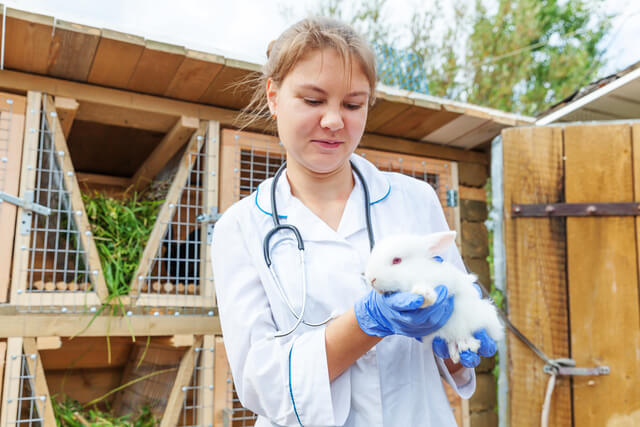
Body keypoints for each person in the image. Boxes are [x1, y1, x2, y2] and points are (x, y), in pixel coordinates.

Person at [212, 17, 496, 427]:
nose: (333, 121)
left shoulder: (415, 200)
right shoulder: (239, 229)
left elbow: (451, 339)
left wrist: (459, 339)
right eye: (313, 101)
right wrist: (368, 323)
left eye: (352, 104)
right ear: (273, 97)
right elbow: (261, 385)